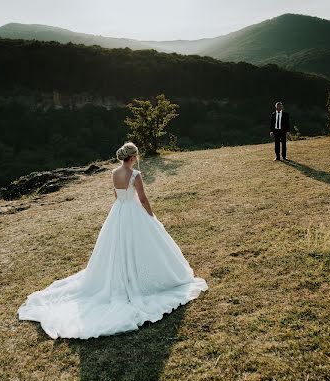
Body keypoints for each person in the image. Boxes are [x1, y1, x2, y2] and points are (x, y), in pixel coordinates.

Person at [17, 142, 208, 339]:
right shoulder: (136, 175)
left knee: (117, 247)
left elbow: (116, 195)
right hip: (134, 211)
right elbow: (142, 198)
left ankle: (124, 274)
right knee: (141, 245)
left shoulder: (114, 173)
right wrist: (151, 216)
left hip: (119, 212)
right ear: (133, 157)